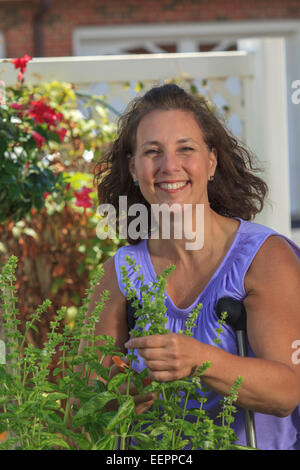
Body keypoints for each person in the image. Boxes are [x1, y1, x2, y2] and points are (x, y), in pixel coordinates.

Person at [88, 83, 300, 450]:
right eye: (152, 152)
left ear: (211, 160)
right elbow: (82, 406)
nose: (169, 166)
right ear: (133, 168)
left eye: (185, 149)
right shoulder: (119, 276)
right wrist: (116, 397)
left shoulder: (264, 257)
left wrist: (199, 359)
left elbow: (286, 391)